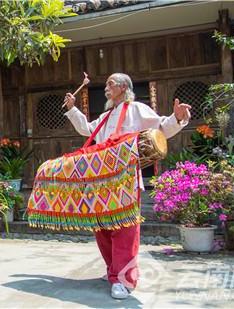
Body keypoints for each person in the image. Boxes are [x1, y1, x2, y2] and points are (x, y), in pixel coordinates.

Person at [63, 72, 191, 299]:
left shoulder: (137, 109)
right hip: (101, 180)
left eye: (110, 84)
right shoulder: (105, 115)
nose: (106, 87)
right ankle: (113, 271)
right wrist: (73, 108)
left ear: (123, 87)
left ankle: (124, 278)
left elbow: (161, 127)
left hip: (125, 179)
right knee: (102, 227)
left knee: (124, 229)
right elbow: (87, 130)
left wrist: (177, 118)